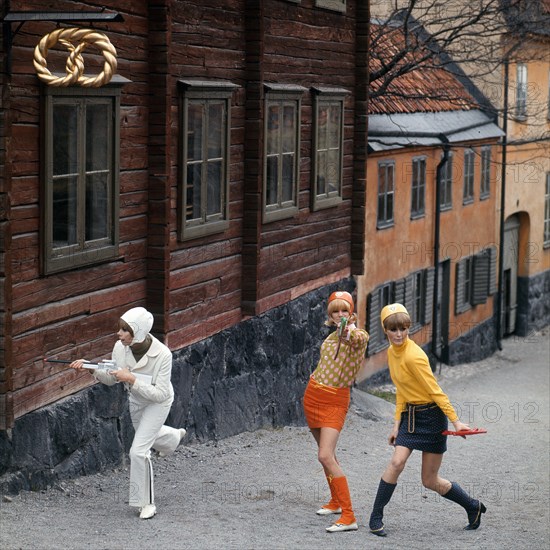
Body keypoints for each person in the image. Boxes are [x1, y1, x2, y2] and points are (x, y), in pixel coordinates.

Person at [368, 303, 486, 537]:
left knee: (429, 480)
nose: (399, 334)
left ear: (408, 328)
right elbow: (401, 389)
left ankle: (472, 506)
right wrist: (395, 425)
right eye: (393, 330)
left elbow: (436, 391)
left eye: (403, 329)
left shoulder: (414, 356)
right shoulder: (392, 353)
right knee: (396, 463)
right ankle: (376, 516)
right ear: (385, 330)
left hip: (432, 418)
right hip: (410, 418)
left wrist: (456, 421)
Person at [70, 307, 186, 520]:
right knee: (149, 436)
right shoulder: (119, 347)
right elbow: (112, 378)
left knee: (138, 451)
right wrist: (91, 369)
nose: (119, 334)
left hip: (158, 403)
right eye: (120, 329)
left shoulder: (163, 355)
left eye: (125, 330)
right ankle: (173, 437)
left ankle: (146, 503)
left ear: (139, 332)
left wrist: (131, 379)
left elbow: (160, 394)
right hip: (137, 400)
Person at [302, 291, 369, 532]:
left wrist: (346, 328)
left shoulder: (358, 334)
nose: (340, 314)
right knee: (327, 455)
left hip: (335, 400)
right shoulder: (331, 337)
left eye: (344, 310)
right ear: (329, 314)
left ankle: (349, 516)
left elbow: (354, 338)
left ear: (351, 312)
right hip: (313, 396)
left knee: (325, 456)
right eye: (335, 311)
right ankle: (336, 502)